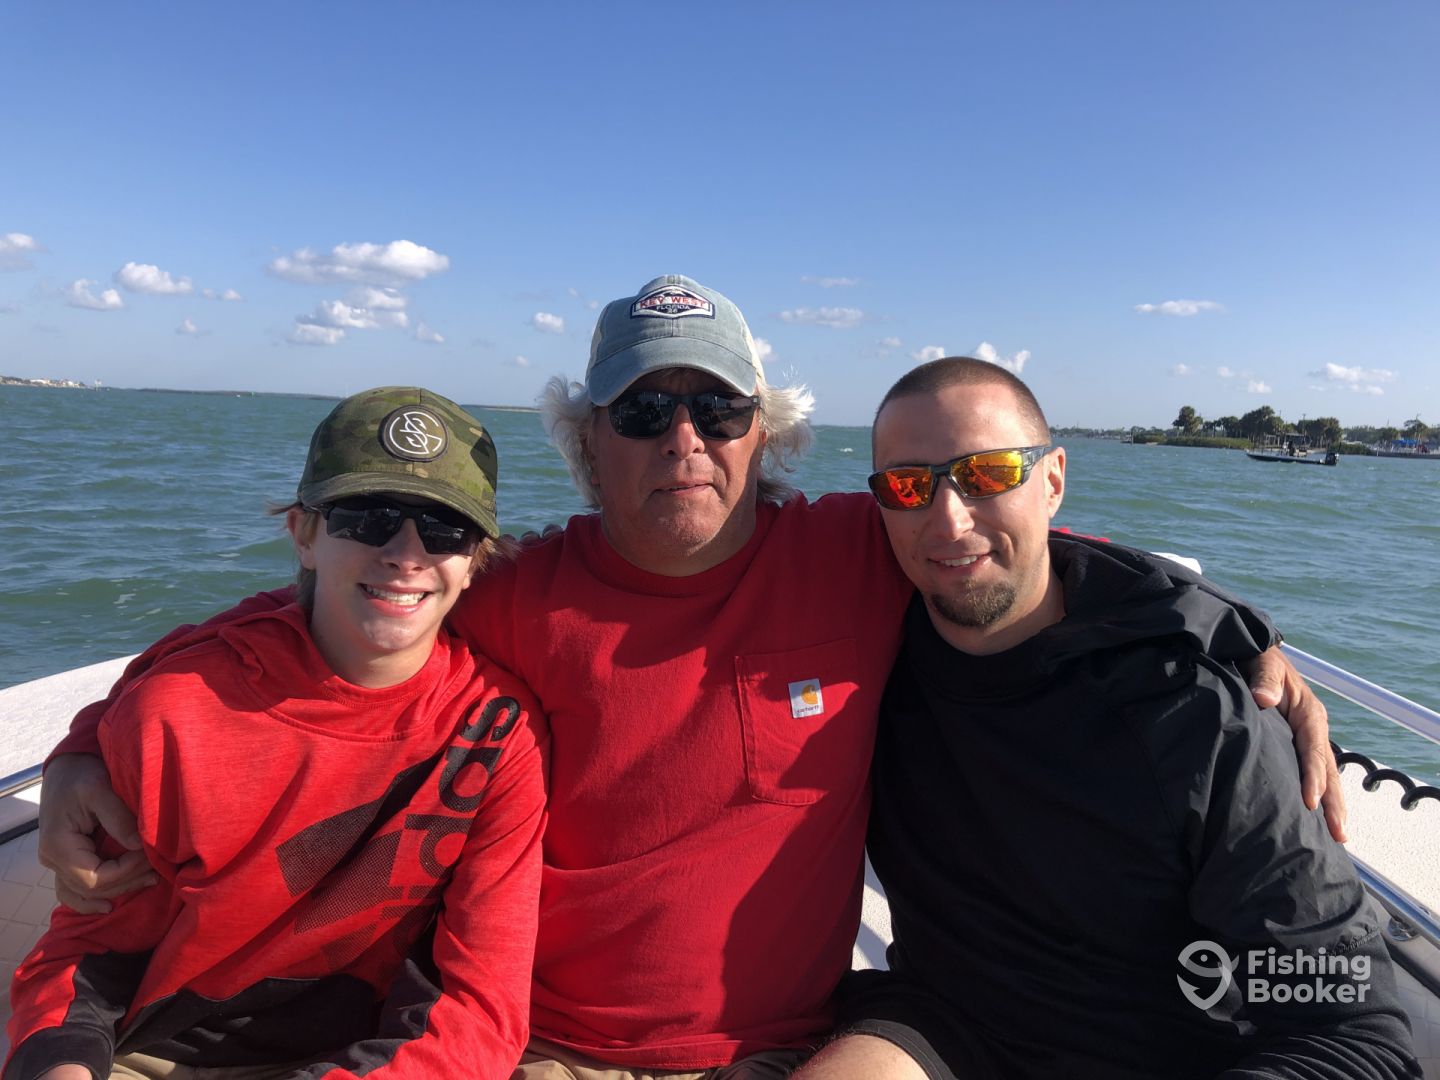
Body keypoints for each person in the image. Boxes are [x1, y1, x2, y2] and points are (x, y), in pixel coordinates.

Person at [39, 277, 1340, 1079]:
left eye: (717, 411)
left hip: (786, 1049)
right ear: (587, 442)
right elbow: (342, 604)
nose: (683, 441)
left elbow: (1026, 548)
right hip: (538, 1048)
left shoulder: (863, 547)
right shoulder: (519, 593)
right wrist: (98, 730)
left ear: (764, 433)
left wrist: (1235, 639)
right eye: (641, 413)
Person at [796, 358, 1418, 1079]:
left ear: (1052, 480)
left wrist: (1237, 631)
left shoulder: (1194, 714)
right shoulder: (866, 656)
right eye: (909, 486)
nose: (950, 519)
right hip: (943, 1021)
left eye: (989, 474)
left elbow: (1353, 1025)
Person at [6, 388, 548, 1080]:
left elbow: (478, 1002)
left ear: (476, 561)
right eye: (369, 517)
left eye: (446, 530)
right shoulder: (177, 709)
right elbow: (88, 953)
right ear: (304, 534)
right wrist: (60, 1065)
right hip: (157, 1052)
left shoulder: (499, 734)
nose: (406, 554)